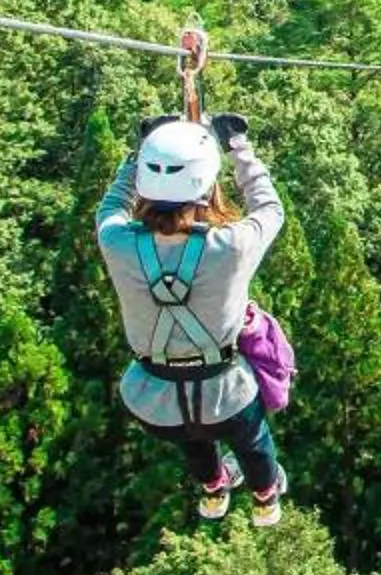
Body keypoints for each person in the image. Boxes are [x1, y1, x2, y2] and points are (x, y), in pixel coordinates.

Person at [97, 110, 291, 525]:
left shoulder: (116, 241)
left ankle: (213, 488)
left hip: (153, 399)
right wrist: (238, 146)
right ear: (203, 183)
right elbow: (269, 208)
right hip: (226, 393)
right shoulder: (231, 246)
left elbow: (114, 202)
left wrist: (141, 153)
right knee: (253, 439)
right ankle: (265, 495)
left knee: (192, 437)